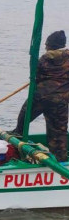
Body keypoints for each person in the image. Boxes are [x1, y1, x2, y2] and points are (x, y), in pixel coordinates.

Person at [11, 30, 69, 161]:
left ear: (50, 45)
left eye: (46, 44)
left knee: (24, 118)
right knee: (59, 131)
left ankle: (18, 136)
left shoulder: (44, 59)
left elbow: (36, 76)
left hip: (41, 96)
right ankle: (60, 160)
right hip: (61, 100)